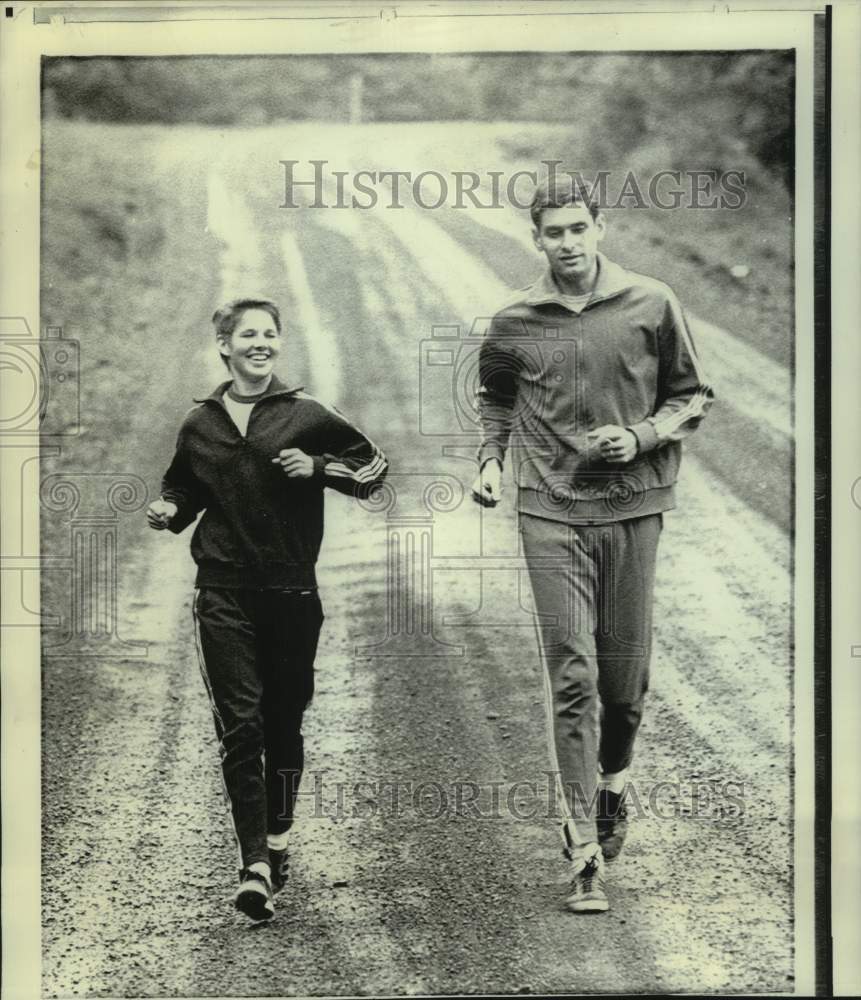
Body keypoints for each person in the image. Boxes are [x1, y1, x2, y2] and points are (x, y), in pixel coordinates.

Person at [472, 180, 713, 913]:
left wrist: (639, 436)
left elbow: (693, 395)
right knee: (571, 675)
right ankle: (580, 847)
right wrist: (489, 461)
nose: (568, 242)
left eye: (579, 228)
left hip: (634, 507)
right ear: (536, 240)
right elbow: (495, 398)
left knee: (623, 687)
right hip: (548, 508)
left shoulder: (651, 301)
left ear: (599, 228)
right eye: (554, 232)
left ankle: (612, 784)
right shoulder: (515, 320)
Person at [146, 297, 387, 922]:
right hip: (222, 590)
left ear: (279, 344)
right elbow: (185, 485)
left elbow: (376, 470)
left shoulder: (306, 414)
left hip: (292, 594)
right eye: (247, 334)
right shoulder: (200, 423)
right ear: (223, 345)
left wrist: (321, 468)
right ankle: (253, 863)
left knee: (283, 725)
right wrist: (171, 510)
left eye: (269, 334)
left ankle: (277, 844)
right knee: (241, 726)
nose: (260, 343)